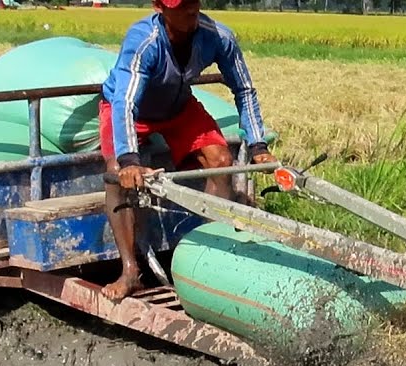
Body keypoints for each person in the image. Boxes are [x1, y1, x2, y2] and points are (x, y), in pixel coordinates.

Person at [98, 0, 276, 301]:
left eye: (194, 2)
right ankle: (130, 271)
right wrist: (130, 160)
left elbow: (243, 88)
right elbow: (126, 102)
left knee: (221, 160)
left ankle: (214, 257)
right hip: (132, 111)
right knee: (116, 173)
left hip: (178, 108)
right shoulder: (144, 41)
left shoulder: (218, 36)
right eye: (180, 5)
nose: (190, 10)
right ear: (159, 7)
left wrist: (258, 144)